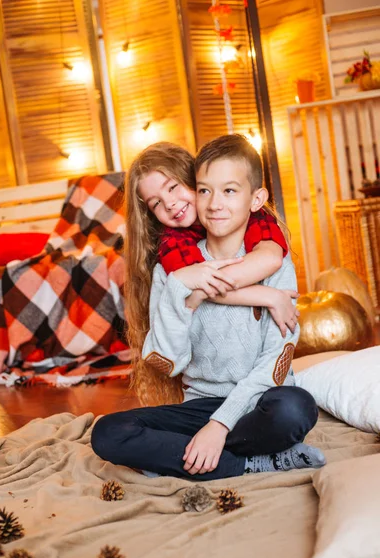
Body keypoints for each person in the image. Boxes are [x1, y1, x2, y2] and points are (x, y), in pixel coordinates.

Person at [91, 134, 324, 480]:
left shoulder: (270, 258)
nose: (214, 203)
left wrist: (219, 426)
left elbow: (274, 362)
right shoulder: (169, 270)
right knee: (107, 432)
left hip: (258, 404)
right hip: (201, 405)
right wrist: (180, 289)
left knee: (295, 407)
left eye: (228, 191)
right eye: (205, 192)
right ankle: (251, 464)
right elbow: (169, 362)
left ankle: (184, 459)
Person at [123, 141, 299, 408]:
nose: (170, 204)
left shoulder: (254, 218)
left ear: (194, 180)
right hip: (204, 399)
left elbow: (271, 257)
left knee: (293, 408)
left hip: (262, 398)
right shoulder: (174, 245)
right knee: (111, 432)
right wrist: (269, 296)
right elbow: (200, 289)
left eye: (173, 187)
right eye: (156, 202)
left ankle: (221, 439)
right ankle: (223, 443)